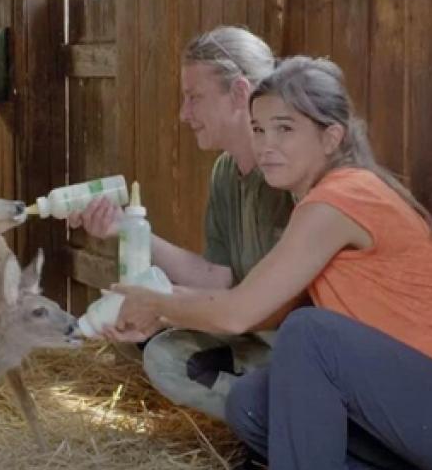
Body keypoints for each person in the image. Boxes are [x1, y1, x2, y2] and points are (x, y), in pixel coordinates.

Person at [109, 56, 432, 470]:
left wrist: (160, 305)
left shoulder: (340, 201)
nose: (267, 146)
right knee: (252, 405)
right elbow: (264, 310)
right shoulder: (320, 200)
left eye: (285, 129)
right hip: (421, 419)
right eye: (259, 129)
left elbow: (240, 313)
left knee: (310, 336)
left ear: (331, 138)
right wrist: (164, 301)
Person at [69, 26, 300, 424]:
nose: (183, 114)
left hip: (294, 344)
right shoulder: (227, 172)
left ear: (240, 93)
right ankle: (264, 414)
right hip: (246, 328)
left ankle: (277, 426)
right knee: (139, 335)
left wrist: (166, 308)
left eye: (194, 98)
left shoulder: (289, 173)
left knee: (162, 352)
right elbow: (218, 278)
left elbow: (282, 307)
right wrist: (128, 229)